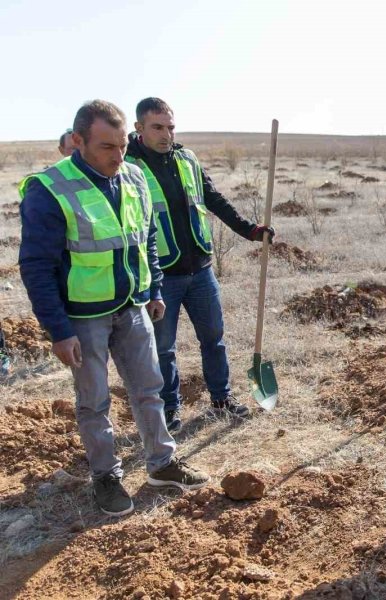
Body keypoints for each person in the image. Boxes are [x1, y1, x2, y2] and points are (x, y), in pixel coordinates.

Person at [19, 100, 210, 516]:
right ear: (77, 140)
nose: (118, 156)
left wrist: (155, 288)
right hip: (83, 317)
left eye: (123, 145)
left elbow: (147, 240)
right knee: (94, 401)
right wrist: (58, 328)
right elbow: (36, 266)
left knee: (149, 389)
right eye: (106, 147)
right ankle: (107, 478)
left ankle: (163, 464)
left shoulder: (134, 177)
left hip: (133, 305)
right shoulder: (49, 188)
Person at [125, 98, 274, 434]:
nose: (166, 134)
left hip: (201, 271)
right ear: (139, 129)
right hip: (161, 276)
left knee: (214, 338)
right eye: (157, 127)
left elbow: (213, 199)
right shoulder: (127, 167)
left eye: (171, 127)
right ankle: (170, 410)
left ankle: (221, 398)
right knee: (163, 348)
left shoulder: (186, 158)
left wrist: (249, 230)